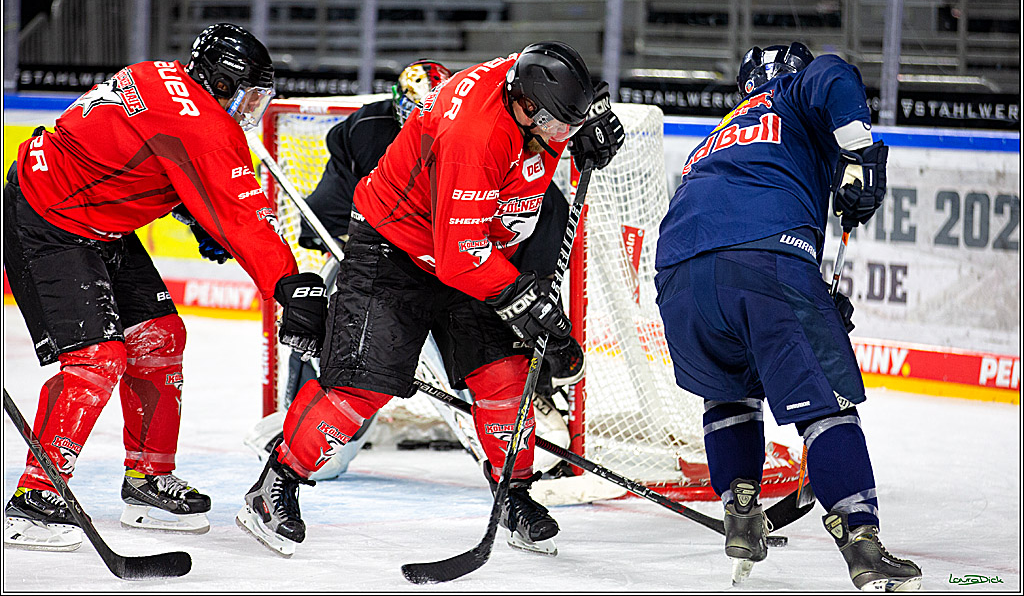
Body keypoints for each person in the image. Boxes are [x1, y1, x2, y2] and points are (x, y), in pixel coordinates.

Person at [236, 41, 624, 558]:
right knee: (360, 388)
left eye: (567, 128)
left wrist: (593, 118)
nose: (562, 139)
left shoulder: (532, 87)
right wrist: (524, 303)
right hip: (395, 250)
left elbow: (570, 88)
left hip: (478, 248)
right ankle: (275, 485)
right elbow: (461, 257)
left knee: (506, 378)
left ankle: (513, 495)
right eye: (557, 127)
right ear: (526, 107)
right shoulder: (474, 136)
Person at [2, 23, 328, 550]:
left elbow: (130, 155)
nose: (250, 110)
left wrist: (195, 217)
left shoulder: (155, 73)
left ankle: (147, 480)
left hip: (95, 218)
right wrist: (288, 286)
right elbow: (245, 220)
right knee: (97, 359)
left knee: (159, 338)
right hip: (46, 218)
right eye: (248, 96)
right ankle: (36, 498)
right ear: (221, 84)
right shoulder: (202, 124)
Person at [654, 43, 922, 591]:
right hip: (765, 259)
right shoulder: (792, 96)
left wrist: (808, 295)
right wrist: (859, 154)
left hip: (677, 275)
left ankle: (742, 513)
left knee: (728, 391)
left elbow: (730, 213)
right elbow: (834, 72)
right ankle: (862, 544)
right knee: (827, 404)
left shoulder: (712, 141)